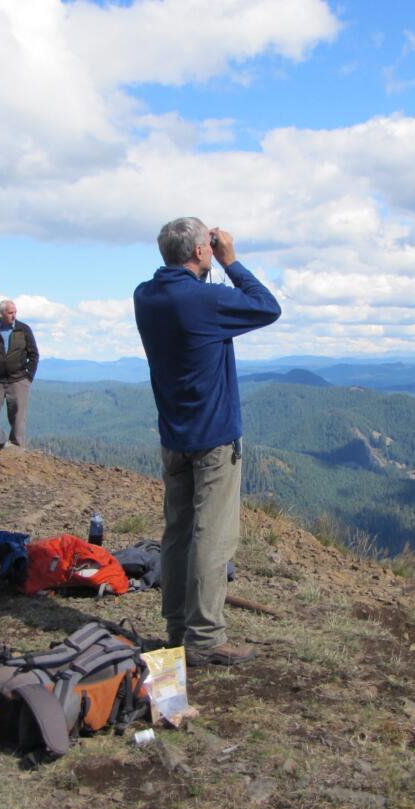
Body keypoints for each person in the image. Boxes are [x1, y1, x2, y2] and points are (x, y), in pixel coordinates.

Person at [133, 218, 281, 667]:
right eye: (207, 248)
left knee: (177, 534)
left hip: (173, 434)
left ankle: (177, 629)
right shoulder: (205, 299)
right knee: (212, 536)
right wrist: (230, 260)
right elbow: (266, 306)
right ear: (201, 251)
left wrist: (205, 264)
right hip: (214, 437)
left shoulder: (146, 295)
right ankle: (205, 638)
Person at [0, 299, 38, 448]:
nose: (14, 315)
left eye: (15, 312)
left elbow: (34, 354)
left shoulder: (24, 329)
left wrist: (28, 377)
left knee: (18, 417)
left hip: (18, 379)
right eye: (10, 313)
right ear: (1, 313)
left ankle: (16, 448)